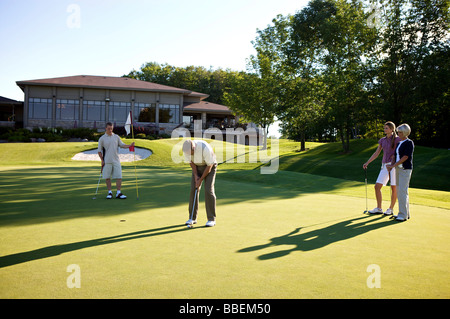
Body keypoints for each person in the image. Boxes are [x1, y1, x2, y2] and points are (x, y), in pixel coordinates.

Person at [363, 121, 401, 215]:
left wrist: (394, 158)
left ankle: (390, 209)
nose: (384, 130)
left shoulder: (397, 139)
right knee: (377, 186)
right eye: (384, 128)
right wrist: (367, 162)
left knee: (393, 187)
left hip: (394, 165)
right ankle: (379, 208)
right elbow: (376, 153)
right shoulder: (382, 140)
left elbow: (400, 152)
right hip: (384, 165)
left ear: (392, 129)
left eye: (386, 128)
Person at [182, 139, 217, 227]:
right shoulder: (186, 149)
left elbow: (209, 166)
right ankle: (192, 218)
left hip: (210, 167)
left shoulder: (204, 148)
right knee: (193, 189)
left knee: (208, 190)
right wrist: (196, 175)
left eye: (191, 153)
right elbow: (191, 163)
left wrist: (200, 179)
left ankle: (211, 219)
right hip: (197, 167)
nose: (190, 154)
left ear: (194, 148)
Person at [97, 122, 135, 199]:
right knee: (107, 177)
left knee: (119, 177)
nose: (110, 130)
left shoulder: (116, 137)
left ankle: (118, 193)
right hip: (107, 160)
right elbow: (99, 151)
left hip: (116, 160)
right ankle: (110, 192)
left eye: (111, 128)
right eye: (109, 129)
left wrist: (130, 146)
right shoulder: (102, 138)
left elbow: (122, 145)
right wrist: (102, 160)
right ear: (106, 128)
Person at [387, 124, 414, 222]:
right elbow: (395, 156)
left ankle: (402, 215)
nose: (398, 133)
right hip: (398, 169)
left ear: (405, 132)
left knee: (402, 191)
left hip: (405, 169)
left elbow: (405, 157)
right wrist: (391, 165)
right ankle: (404, 213)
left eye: (400, 132)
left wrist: (393, 166)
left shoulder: (409, 143)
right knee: (400, 191)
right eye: (398, 132)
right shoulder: (399, 143)